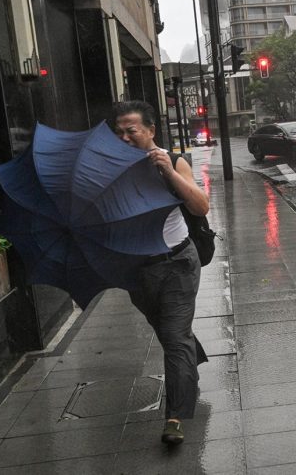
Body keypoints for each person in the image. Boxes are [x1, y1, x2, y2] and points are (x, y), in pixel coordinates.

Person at [112, 100, 210, 445]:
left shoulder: (173, 160)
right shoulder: (114, 170)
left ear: (150, 131)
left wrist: (168, 171)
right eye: (118, 132)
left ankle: (176, 417)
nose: (124, 138)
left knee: (173, 338)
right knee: (168, 330)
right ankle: (190, 356)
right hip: (137, 269)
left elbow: (200, 205)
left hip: (178, 263)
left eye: (131, 131)